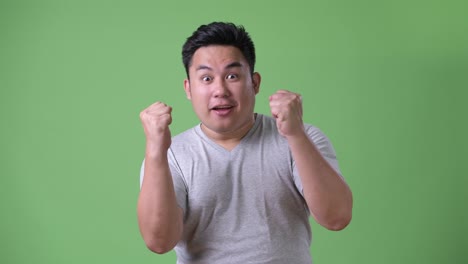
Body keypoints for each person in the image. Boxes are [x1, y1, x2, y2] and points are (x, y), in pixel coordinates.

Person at [137, 22, 353, 263]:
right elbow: (159, 241)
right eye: (206, 78)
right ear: (188, 88)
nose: (220, 90)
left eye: (232, 76)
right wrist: (156, 152)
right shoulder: (171, 154)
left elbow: (336, 217)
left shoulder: (303, 138)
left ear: (255, 82)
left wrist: (295, 135)